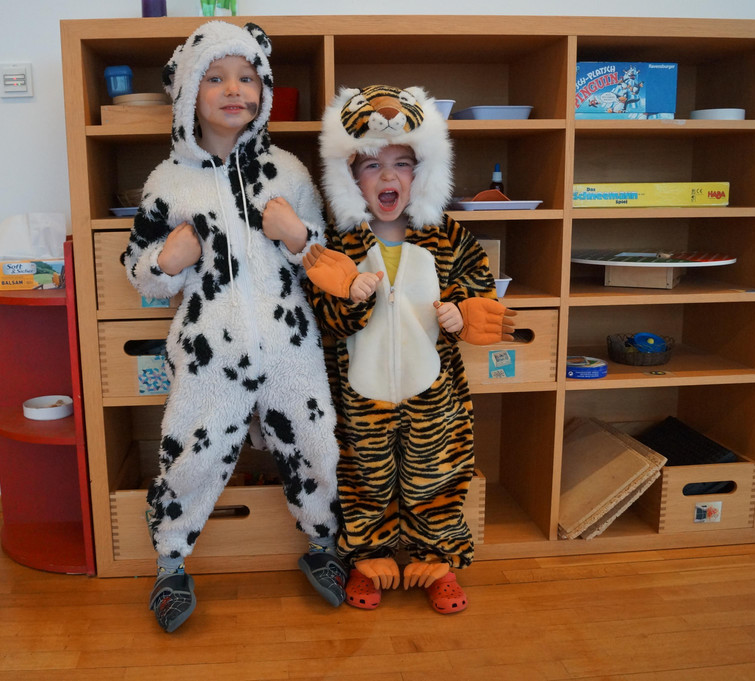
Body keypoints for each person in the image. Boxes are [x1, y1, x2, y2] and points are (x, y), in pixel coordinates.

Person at [122, 21, 346, 634]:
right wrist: (167, 261)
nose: (233, 89)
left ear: (263, 89)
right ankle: (170, 563)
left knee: (317, 445)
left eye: (247, 77)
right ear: (188, 91)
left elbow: (325, 256)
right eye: (215, 77)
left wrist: (296, 235)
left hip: (290, 344)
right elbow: (138, 271)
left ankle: (323, 544)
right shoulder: (168, 182)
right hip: (209, 350)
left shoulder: (288, 172)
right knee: (190, 455)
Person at [303, 84, 516, 613]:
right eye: (372, 166)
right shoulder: (339, 242)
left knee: (435, 474)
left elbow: (478, 288)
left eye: (402, 164)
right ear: (350, 176)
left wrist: (461, 312)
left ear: (424, 172)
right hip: (359, 399)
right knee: (364, 478)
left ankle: (438, 560)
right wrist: (350, 296)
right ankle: (367, 557)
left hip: (435, 396)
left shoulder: (447, 237)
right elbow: (323, 318)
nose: (389, 177)